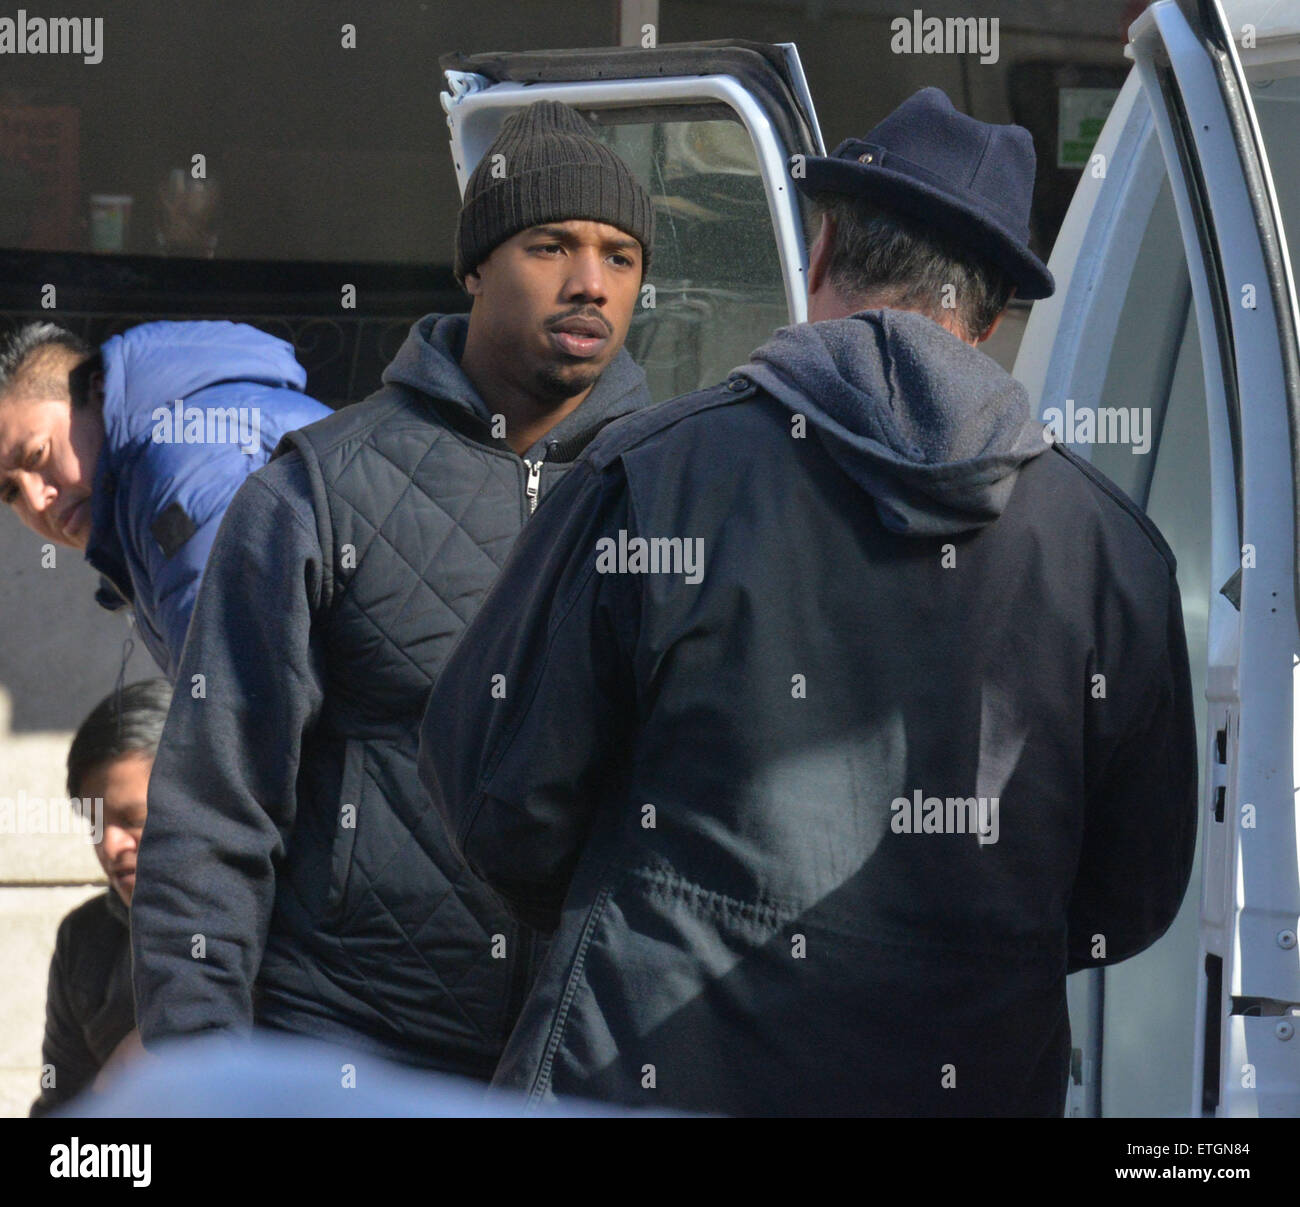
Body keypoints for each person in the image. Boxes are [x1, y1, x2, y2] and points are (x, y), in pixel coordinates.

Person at [418, 87, 1199, 1116]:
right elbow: (1129, 897)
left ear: (822, 249)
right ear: (997, 311)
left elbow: (493, 794)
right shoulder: (1113, 552)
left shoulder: (655, 471)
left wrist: (638, 898)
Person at [130, 101, 656, 1079]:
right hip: (349, 1042)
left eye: (620, 256)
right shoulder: (319, 486)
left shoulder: (682, 485)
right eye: (551, 245)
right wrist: (197, 1062)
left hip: (590, 1058)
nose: (590, 281)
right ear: (475, 266)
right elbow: (217, 798)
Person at [0, 320, 329, 679]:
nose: (35, 501)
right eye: (10, 492)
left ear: (98, 391)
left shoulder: (187, 465)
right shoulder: (159, 476)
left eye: (36, 456)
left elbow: (233, 708)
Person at [31, 678, 172, 1117]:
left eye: (134, 819)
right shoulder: (85, 940)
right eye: (95, 822)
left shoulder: (288, 924)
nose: (110, 846)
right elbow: (61, 1106)